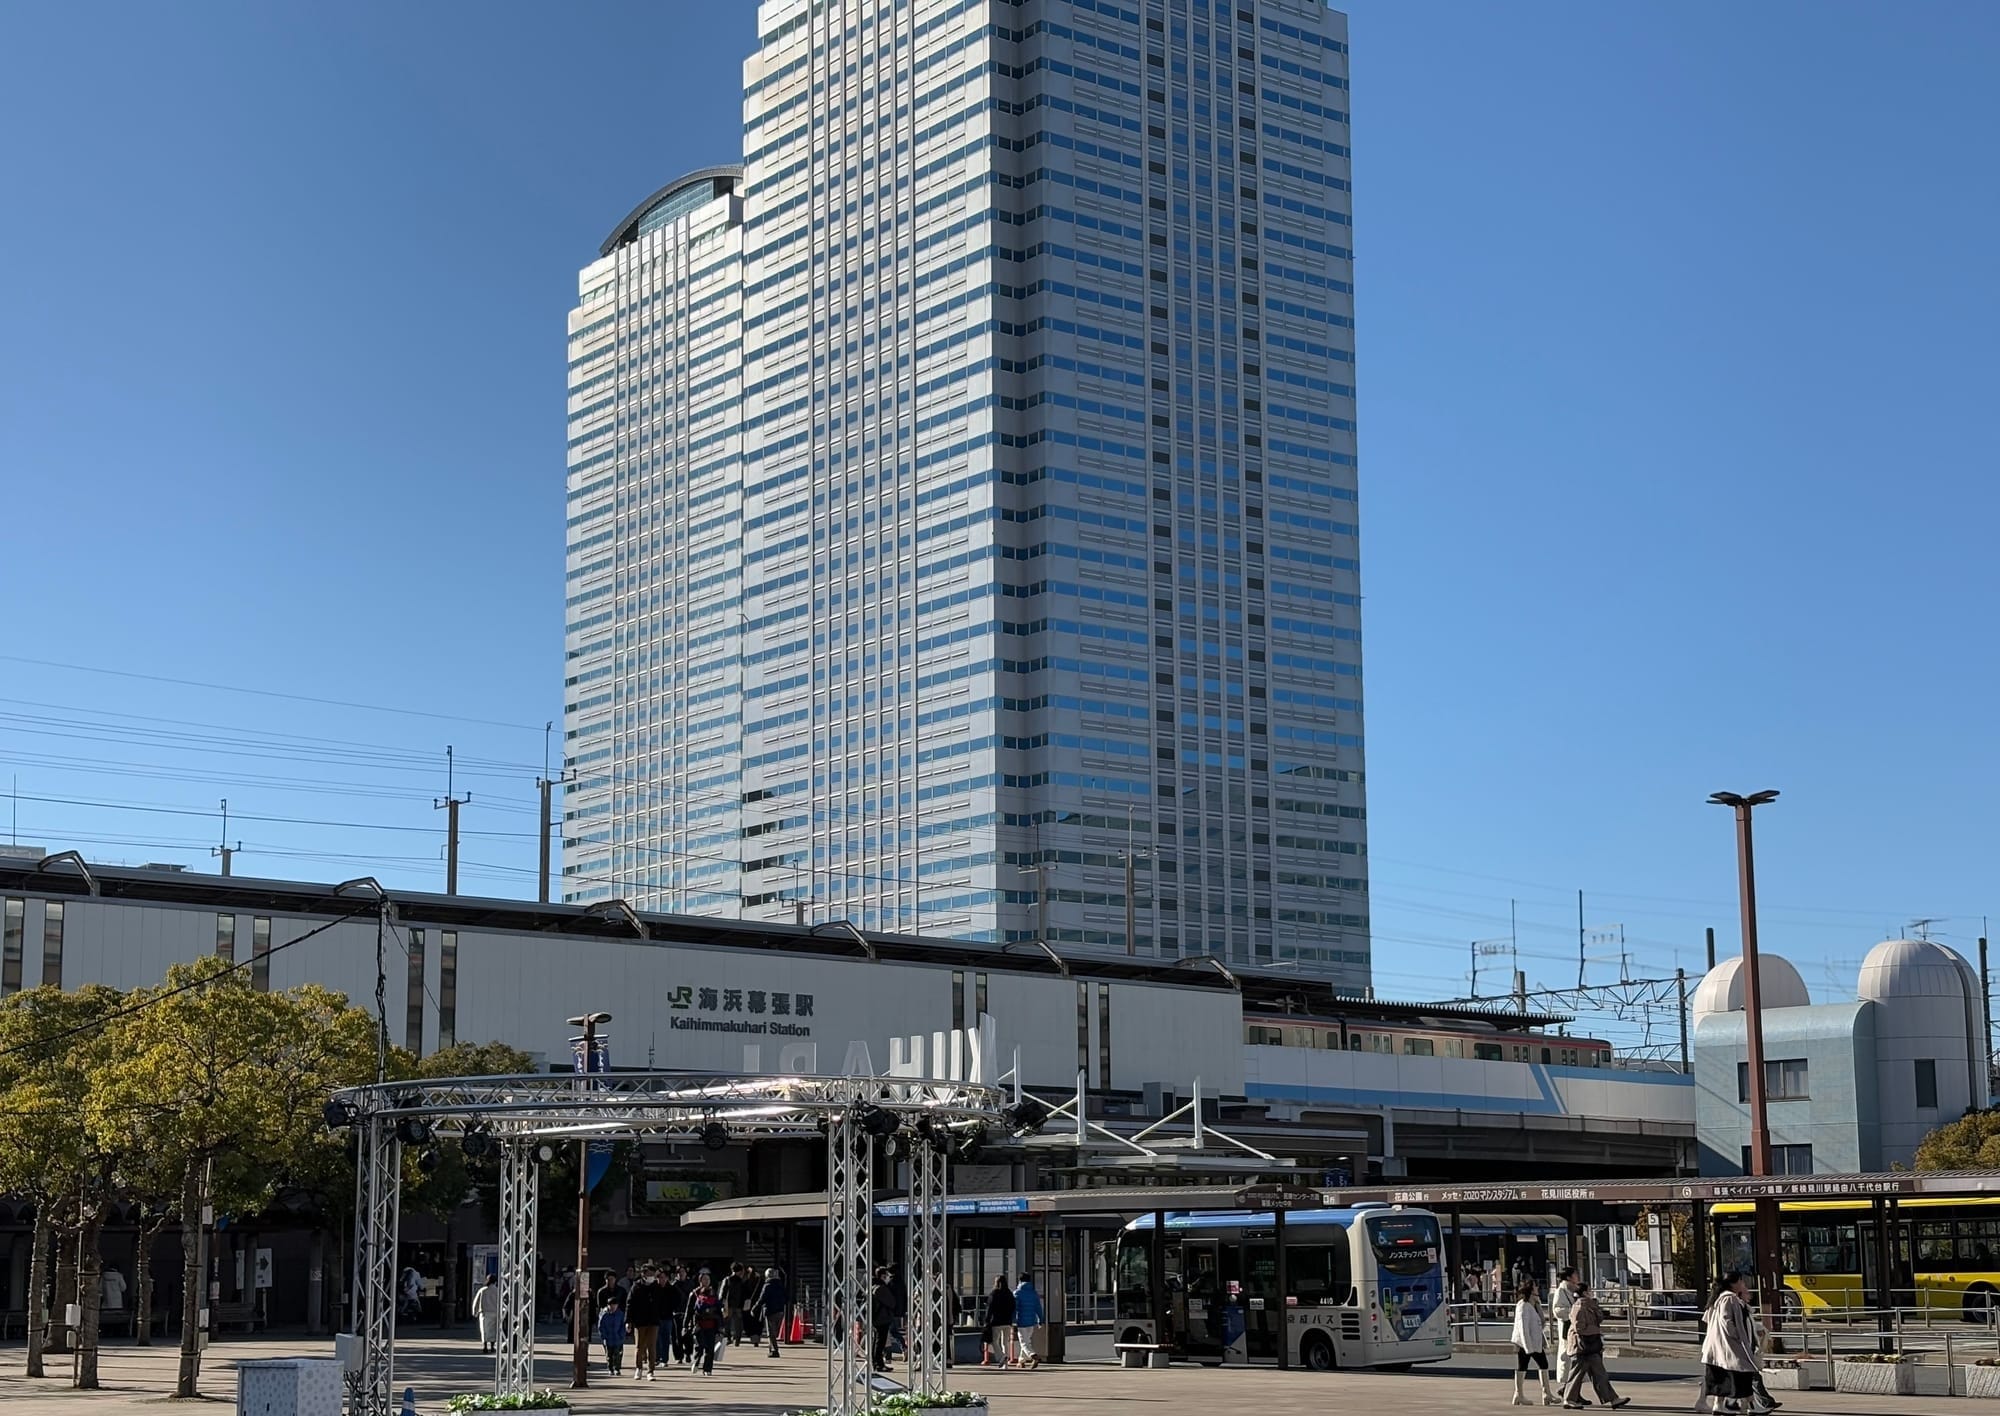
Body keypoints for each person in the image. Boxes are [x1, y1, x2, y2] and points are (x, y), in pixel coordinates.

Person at [1557, 1281, 1629, 1411]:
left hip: (1590, 1345)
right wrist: (1593, 1331)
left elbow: (1599, 1319)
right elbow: (1579, 1327)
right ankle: (1569, 1399)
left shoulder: (1590, 1305)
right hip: (1581, 1345)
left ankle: (1613, 1399)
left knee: (1600, 1373)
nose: (1591, 1292)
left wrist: (1595, 1308)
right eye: (1589, 1290)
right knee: (1577, 1374)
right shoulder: (1578, 1306)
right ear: (1584, 1293)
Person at [1699, 1272, 1761, 1414]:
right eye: (1741, 1281)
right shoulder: (1730, 1299)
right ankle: (1751, 1405)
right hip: (1728, 1346)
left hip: (1715, 1347)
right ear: (1735, 1283)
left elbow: (1708, 1319)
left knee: (1722, 1377)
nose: (1743, 1284)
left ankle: (1720, 1406)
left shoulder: (1717, 1298)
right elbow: (1726, 1321)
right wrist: (1738, 1336)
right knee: (1742, 1373)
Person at [1510, 1279, 1555, 1407]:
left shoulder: (1533, 1305)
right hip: (1526, 1342)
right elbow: (1522, 1327)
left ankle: (1546, 1394)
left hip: (1535, 1342)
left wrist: (1538, 1304)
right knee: (1523, 1366)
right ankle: (1519, 1394)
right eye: (1535, 1287)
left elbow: (1542, 1322)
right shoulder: (1523, 1305)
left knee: (1542, 1364)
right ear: (1530, 1290)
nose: (1538, 1289)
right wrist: (1527, 1346)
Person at [625, 1268, 663, 1381]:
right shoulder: (636, 1287)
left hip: (653, 1321)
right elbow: (629, 1304)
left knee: (652, 1346)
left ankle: (651, 1371)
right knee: (639, 1346)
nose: (651, 1276)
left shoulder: (657, 1287)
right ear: (643, 1274)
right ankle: (639, 1368)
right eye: (649, 1274)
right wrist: (628, 1321)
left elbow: (662, 1302)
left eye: (653, 1273)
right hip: (640, 1321)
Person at [1550, 1267, 1582, 1398]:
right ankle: (1567, 1388)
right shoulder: (1561, 1290)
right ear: (1568, 1277)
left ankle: (1573, 1391)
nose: (1577, 1276)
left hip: (1576, 1328)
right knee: (1568, 1358)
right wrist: (1572, 1312)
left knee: (1576, 1359)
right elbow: (1557, 1310)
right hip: (1567, 1328)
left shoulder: (1575, 1289)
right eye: (1575, 1274)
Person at [686, 1271, 724, 1376]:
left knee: (710, 1348)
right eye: (704, 1279)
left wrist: (721, 1325)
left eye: (708, 1279)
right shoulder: (694, 1294)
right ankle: (696, 1362)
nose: (706, 1281)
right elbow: (689, 1311)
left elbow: (718, 1310)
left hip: (711, 1324)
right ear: (700, 1281)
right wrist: (686, 1325)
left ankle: (707, 1369)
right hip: (699, 1324)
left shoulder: (714, 1293)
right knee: (700, 1346)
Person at [1012, 1273, 1044, 1369]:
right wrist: (1040, 1319)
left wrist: (1013, 1320)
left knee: (1023, 1342)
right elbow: (1038, 1307)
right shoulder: (1034, 1293)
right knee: (1027, 1341)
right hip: (1031, 1321)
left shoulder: (1017, 1293)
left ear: (1020, 1280)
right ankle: (1021, 1361)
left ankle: (1034, 1356)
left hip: (1021, 1321)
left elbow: (1014, 1309)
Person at [984, 1275, 1015, 1368]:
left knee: (994, 1341)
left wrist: (987, 1320)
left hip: (996, 1321)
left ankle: (1002, 1357)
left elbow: (989, 1308)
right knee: (1005, 1342)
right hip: (1008, 1321)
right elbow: (1013, 1306)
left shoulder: (994, 1293)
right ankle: (1005, 1365)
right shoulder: (1009, 1293)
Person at [758, 1267, 789, 1358]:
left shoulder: (767, 1285)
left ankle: (774, 1350)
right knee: (775, 1331)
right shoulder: (781, 1286)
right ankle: (773, 1348)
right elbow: (786, 1297)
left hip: (770, 1311)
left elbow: (762, 1299)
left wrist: (755, 1307)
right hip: (780, 1310)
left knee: (770, 1333)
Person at [871, 1268, 896, 1370]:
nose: (888, 1277)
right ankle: (879, 1364)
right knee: (880, 1342)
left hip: (876, 1317)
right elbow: (892, 1302)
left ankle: (876, 1363)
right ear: (882, 1276)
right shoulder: (881, 1288)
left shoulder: (873, 1287)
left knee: (877, 1341)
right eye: (887, 1275)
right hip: (882, 1318)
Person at [597, 1292, 628, 1376]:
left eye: (615, 1305)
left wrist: (622, 1335)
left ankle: (617, 1368)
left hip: (618, 1338)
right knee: (609, 1355)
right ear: (608, 1305)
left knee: (618, 1354)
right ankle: (610, 1368)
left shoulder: (620, 1314)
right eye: (611, 1305)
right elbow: (601, 1327)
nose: (613, 1307)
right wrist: (604, 1336)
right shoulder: (604, 1315)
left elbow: (622, 1325)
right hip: (608, 1338)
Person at [473, 1274, 502, 1354]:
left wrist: (475, 1312)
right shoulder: (498, 1291)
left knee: (484, 1330)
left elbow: (476, 1301)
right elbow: (502, 1303)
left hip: (484, 1313)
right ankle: (492, 1346)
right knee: (493, 1330)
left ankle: (485, 1346)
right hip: (495, 1313)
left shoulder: (482, 1290)